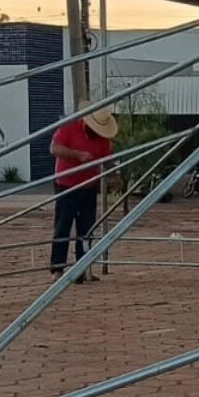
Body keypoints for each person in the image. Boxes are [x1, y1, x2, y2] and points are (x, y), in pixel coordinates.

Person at [48, 103, 117, 280]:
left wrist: (114, 172)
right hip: (67, 184)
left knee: (87, 229)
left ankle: (83, 268)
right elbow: (54, 148)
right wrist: (78, 155)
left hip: (89, 186)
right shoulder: (69, 127)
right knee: (63, 226)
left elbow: (107, 159)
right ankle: (58, 268)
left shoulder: (103, 139)